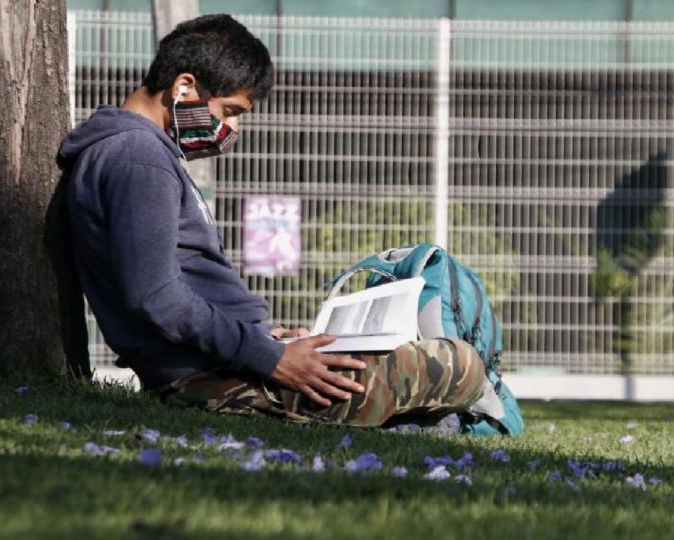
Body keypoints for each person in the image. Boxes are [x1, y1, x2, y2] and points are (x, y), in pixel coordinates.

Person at [56, 14, 486, 427]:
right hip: (210, 380)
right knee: (457, 363)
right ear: (184, 86)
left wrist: (267, 338)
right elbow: (157, 298)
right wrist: (271, 358)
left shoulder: (140, 154)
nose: (231, 128)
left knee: (412, 353)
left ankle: (415, 420)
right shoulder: (138, 159)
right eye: (229, 110)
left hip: (235, 358)